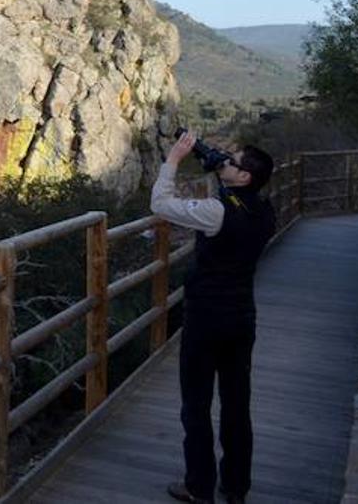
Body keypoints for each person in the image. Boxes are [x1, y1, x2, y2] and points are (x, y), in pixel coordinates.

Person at [152, 132, 276, 504]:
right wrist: (217, 171)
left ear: (245, 177)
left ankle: (199, 486)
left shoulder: (217, 212)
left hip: (206, 318)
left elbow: (161, 204)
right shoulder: (264, 211)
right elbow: (231, 207)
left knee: (197, 405)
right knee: (237, 405)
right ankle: (236, 487)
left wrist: (174, 160)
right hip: (242, 317)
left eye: (233, 162)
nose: (226, 161)